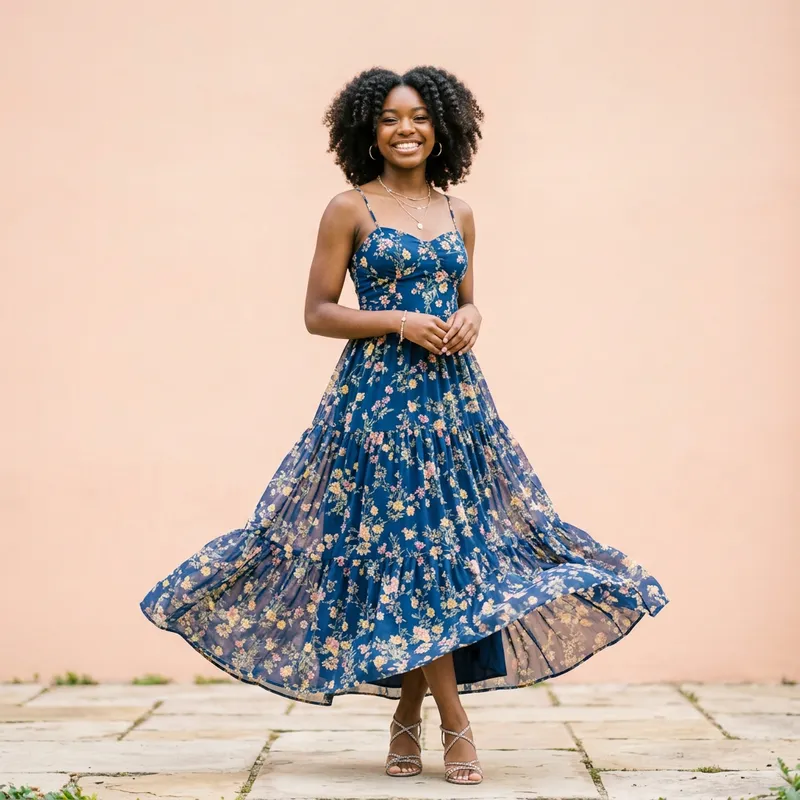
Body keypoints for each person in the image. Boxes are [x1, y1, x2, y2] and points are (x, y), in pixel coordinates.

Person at [140, 65, 670, 787]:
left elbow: (470, 298)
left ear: (441, 127)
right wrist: (398, 320)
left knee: (440, 558)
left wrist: (473, 315)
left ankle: (402, 720)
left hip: (455, 408)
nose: (406, 129)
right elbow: (318, 312)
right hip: (377, 407)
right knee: (406, 555)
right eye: (390, 118)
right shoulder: (348, 208)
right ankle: (455, 725)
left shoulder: (461, 213)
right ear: (369, 130)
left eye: (418, 116)